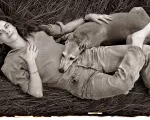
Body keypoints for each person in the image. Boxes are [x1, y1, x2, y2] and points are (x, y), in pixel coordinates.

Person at [0, 7, 150, 100]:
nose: (6, 31)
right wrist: (31, 62)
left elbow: (64, 29)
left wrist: (87, 17)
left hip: (88, 55)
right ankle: (135, 43)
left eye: (6, 26)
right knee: (122, 84)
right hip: (78, 81)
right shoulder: (10, 64)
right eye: (0, 33)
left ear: (12, 24)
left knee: (147, 51)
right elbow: (37, 92)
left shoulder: (36, 31)